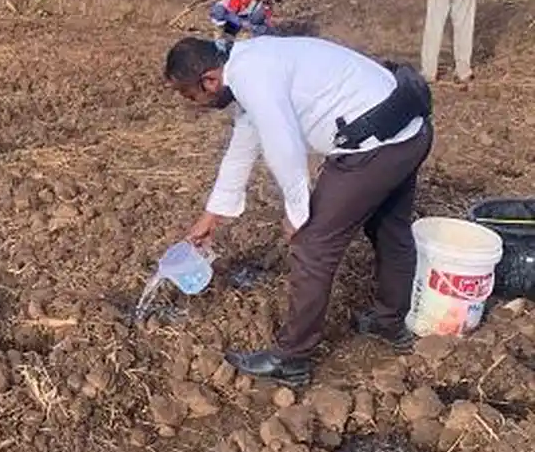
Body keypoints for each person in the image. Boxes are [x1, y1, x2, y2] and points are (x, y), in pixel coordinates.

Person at [166, 35, 433, 386]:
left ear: (210, 80)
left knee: (312, 247)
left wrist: (297, 211)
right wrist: (211, 216)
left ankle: (291, 359)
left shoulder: (252, 76)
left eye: (190, 95)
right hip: (409, 133)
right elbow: (244, 143)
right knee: (389, 228)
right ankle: (389, 321)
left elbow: (283, 144)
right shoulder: (251, 60)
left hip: (374, 149)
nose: (195, 103)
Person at [209, 0, 285, 40]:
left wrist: (271, 30)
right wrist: (246, 25)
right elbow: (231, 13)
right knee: (221, 13)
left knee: (263, 27)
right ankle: (224, 38)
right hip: (227, 13)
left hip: (246, 15)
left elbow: (267, 17)